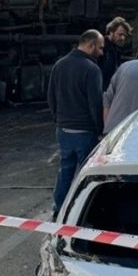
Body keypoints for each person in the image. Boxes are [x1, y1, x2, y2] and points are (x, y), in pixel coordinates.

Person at [47, 30, 105, 214]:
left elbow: (50, 96)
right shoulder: (91, 68)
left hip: (63, 129)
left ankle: (60, 208)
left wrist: (58, 118)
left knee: (65, 170)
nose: (102, 52)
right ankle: (81, 212)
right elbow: (95, 103)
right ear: (90, 45)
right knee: (86, 174)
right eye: (100, 47)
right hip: (85, 131)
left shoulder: (59, 64)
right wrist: (99, 130)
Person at [100, 17, 131, 90]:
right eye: (120, 34)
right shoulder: (101, 47)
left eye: (124, 35)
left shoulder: (116, 49)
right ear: (111, 32)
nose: (123, 38)